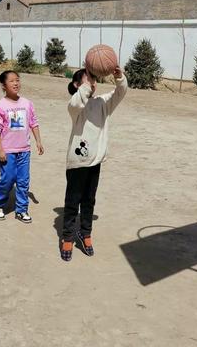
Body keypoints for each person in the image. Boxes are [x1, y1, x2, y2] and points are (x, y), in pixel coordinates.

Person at [61, 67, 127, 261]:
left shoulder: (102, 103)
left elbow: (120, 92)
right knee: (73, 202)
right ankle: (67, 237)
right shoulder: (75, 106)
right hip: (77, 163)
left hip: (95, 162)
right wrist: (85, 85)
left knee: (89, 201)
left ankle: (85, 233)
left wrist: (118, 76)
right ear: (77, 85)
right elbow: (77, 100)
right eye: (88, 80)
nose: (92, 83)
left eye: (94, 80)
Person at [0, 70, 44, 223]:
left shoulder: (27, 103)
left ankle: (21, 210)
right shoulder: (0, 106)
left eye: (17, 80)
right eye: (12, 81)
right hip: (7, 151)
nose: (16, 83)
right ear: (3, 85)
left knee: (23, 181)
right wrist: (0, 150)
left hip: (24, 150)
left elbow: (33, 122)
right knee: (7, 179)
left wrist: (38, 141)